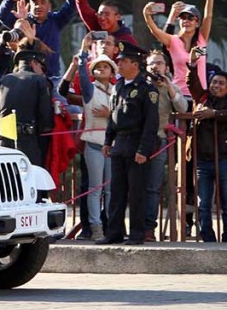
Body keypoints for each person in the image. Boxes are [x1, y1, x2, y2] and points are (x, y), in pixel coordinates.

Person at [97, 42, 159, 245]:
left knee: (137, 192)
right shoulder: (119, 85)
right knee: (116, 192)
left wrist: (143, 150)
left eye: (123, 61)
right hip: (120, 143)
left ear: (135, 64)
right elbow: (113, 116)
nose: (120, 64)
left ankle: (136, 234)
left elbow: (151, 123)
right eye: (119, 61)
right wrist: (108, 140)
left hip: (136, 143)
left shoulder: (147, 89)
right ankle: (114, 232)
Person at [0, 0, 83, 74]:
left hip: (51, 77)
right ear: (30, 5)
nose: (38, 6)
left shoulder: (56, 20)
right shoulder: (23, 22)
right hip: (26, 74)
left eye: (42, 2)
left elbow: (70, 6)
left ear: (49, 6)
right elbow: (1, 15)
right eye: (35, 3)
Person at [69, 51, 118, 241]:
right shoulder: (90, 90)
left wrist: (109, 114)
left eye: (105, 67)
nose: (101, 69)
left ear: (112, 72)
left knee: (111, 190)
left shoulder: (117, 90)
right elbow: (82, 77)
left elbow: (125, 114)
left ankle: (111, 226)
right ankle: (96, 227)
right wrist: (82, 60)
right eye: (97, 67)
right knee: (95, 189)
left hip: (112, 146)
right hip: (94, 144)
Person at [142, 0, 214, 99]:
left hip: (200, 95)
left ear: (197, 23)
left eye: (190, 18)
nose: (186, 21)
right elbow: (155, 31)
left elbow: (208, 16)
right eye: (183, 18)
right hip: (179, 95)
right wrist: (146, 15)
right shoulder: (173, 40)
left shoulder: (201, 39)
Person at [143, 50, 187, 241]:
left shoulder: (171, 86)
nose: (155, 67)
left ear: (166, 67)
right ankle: (133, 226)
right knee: (134, 186)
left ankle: (148, 228)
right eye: (152, 63)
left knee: (153, 188)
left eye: (159, 63)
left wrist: (168, 86)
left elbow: (182, 108)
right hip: (137, 142)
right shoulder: (140, 84)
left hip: (159, 141)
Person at [186, 52, 227, 243]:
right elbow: (192, 82)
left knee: (226, 202)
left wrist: (214, 114)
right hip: (202, 160)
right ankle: (207, 237)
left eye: (221, 83)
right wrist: (193, 63)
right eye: (214, 82)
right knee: (203, 203)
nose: (216, 86)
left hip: (224, 159)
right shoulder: (201, 97)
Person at [0, 49, 54, 169]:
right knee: (30, 174)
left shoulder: (4, 80)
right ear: (33, 63)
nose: (42, 71)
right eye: (41, 67)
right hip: (28, 140)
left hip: (4, 139)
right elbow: (45, 116)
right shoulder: (40, 81)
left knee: (6, 176)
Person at [74, 0, 139, 45]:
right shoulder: (97, 28)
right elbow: (85, 11)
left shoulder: (127, 41)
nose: (102, 18)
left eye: (107, 14)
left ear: (118, 17)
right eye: (100, 14)